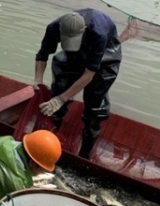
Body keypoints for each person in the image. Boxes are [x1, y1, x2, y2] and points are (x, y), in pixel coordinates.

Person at [33, 9, 121, 159]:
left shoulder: (97, 33)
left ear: (84, 30)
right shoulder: (53, 27)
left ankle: (84, 157)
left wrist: (62, 98)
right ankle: (45, 145)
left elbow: (89, 74)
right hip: (73, 55)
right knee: (58, 93)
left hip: (106, 53)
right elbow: (43, 54)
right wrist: (38, 80)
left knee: (94, 107)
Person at [0, 130, 61, 202]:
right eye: (43, 169)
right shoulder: (15, 183)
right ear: (33, 163)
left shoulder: (5, 140)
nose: (42, 172)